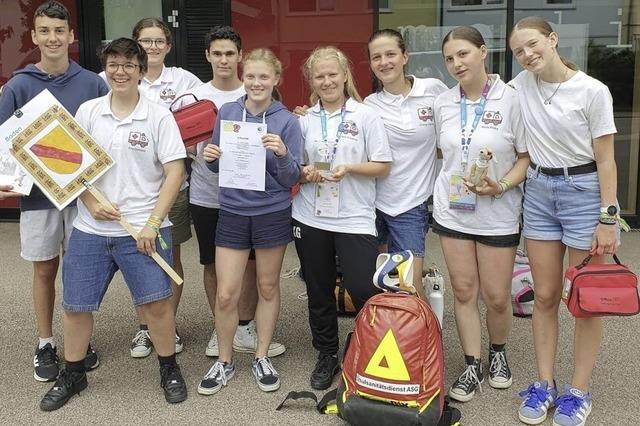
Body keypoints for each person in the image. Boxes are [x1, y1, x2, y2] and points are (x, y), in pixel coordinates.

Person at [39, 37, 188, 411]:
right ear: (105, 68)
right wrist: (89, 199)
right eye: (113, 64)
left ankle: (168, 368)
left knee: (156, 306)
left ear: (141, 70)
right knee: (76, 306)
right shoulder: (88, 111)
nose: (120, 72)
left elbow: (175, 171)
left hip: (143, 229)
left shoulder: (158, 115)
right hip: (91, 229)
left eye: (129, 65)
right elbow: (69, 166)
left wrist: (153, 223)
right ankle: (73, 374)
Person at [509, 17, 621, 426]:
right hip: (539, 192)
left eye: (533, 45)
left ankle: (579, 392)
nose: (527, 55)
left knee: (586, 301)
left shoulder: (592, 91)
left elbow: (607, 158)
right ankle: (544, 385)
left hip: (585, 193)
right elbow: (480, 93)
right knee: (545, 294)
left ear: (552, 39)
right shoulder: (521, 84)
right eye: (519, 51)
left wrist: (608, 218)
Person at [0, 0, 108, 382]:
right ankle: (45, 341)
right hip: (37, 200)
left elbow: (104, 140)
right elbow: (5, 145)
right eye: (44, 31)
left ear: (71, 35)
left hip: (83, 198)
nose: (52, 38)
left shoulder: (94, 83)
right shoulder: (18, 85)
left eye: (59, 30)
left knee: (79, 273)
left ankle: (79, 342)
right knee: (45, 270)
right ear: (34, 36)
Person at [433, 26, 529, 402]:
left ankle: (498, 353)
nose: (456, 63)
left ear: (483, 52)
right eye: (449, 58)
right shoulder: (443, 102)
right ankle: (472, 363)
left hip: (498, 211)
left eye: (463, 54)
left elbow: (525, 156)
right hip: (453, 210)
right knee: (463, 290)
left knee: (497, 296)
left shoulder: (512, 99)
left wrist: (501, 185)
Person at [199, 48, 301, 395]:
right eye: (251, 76)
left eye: (264, 77)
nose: (257, 83)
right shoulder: (228, 111)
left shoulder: (287, 121)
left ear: (276, 80)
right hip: (232, 210)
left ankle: (260, 355)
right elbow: (218, 163)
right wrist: (211, 158)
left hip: (271, 212)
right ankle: (225, 360)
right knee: (227, 293)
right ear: (244, 77)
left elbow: (290, 178)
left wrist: (283, 153)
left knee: (268, 287)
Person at [293, 46, 392, 390]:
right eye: (319, 76)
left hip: (354, 217)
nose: (327, 81)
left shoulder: (366, 116)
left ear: (345, 75)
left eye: (333, 74)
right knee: (318, 290)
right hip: (310, 215)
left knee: (364, 287)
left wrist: (349, 168)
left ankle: (368, 346)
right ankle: (326, 353)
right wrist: (306, 174)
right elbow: (293, 169)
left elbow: (382, 165)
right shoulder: (303, 120)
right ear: (311, 80)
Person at [184, 26, 286, 359]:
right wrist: (199, 154)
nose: (224, 59)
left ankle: (245, 327)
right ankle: (221, 328)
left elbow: (283, 143)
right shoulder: (195, 96)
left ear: (240, 57)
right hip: (208, 196)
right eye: (218, 53)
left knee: (255, 267)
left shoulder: (258, 91)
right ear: (208, 56)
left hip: (255, 201)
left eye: (230, 53)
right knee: (214, 267)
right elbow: (179, 144)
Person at [118, 17, 201, 359]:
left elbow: (217, 105)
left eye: (158, 41)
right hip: (130, 192)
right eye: (145, 41)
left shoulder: (183, 80)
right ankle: (143, 329)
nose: (152, 47)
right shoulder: (118, 77)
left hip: (173, 189)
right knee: (138, 258)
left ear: (167, 46)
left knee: (169, 257)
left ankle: (166, 323)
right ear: (136, 46)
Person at [364, 29, 448, 297]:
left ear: (404, 56)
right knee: (377, 282)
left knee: (408, 285)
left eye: (390, 54)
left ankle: (419, 338)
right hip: (372, 204)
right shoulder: (369, 105)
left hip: (411, 205)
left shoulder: (432, 90)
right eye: (376, 57)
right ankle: (381, 337)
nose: (384, 62)